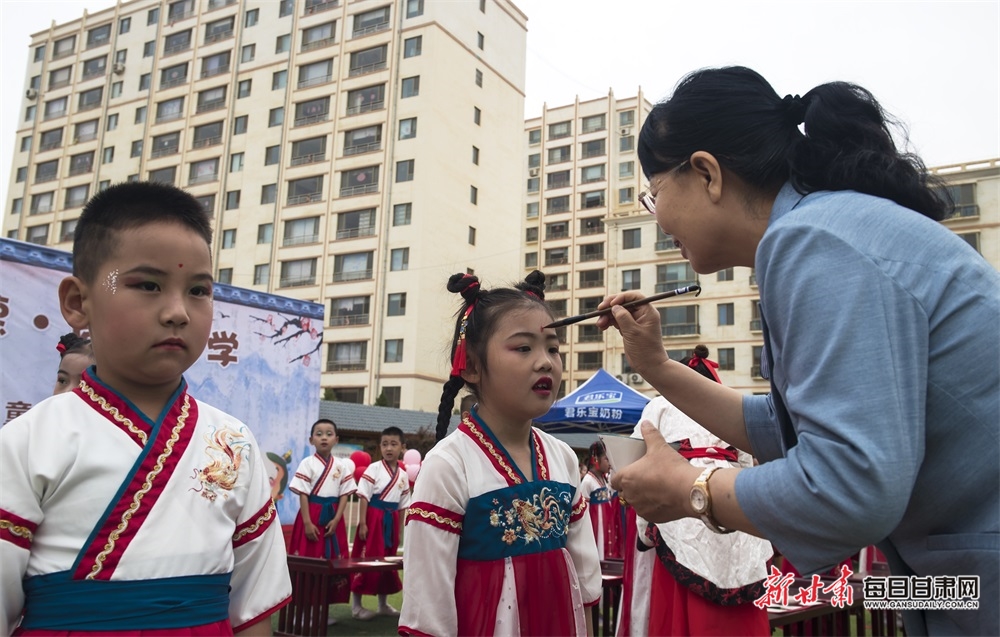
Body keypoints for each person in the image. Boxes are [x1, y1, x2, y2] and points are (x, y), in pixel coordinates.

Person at [598, 66, 1000, 636]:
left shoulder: (810, 240)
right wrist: (656, 365)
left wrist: (693, 490)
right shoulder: (826, 228)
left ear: (707, 173)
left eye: (654, 193)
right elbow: (780, 425)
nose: (658, 218)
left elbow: (849, 486)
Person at [0, 181, 291, 635]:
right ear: (78, 303)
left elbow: (256, 601)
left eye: (198, 290)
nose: (178, 311)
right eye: (148, 284)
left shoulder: (234, 441)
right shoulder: (28, 441)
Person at [399, 271, 602, 636]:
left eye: (552, 348)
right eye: (524, 348)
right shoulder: (449, 465)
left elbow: (585, 580)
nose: (545, 362)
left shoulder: (563, 457)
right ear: (473, 366)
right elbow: (427, 606)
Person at [619, 346, 772, 637]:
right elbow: (745, 462)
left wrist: (643, 529)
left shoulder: (659, 406)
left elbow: (637, 461)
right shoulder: (733, 405)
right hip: (732, 498)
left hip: (681, 503)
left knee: (678, 607)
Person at [287, 418, 358, 615]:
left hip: (333, 517)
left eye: (328, 434)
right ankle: (303, 612)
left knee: (331, 561)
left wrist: (336, 519)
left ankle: (321, 612)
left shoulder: (341, 466)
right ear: (311, 440)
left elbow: (345, 493)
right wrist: (308, 522)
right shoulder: (307, 463)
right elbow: (303, 493)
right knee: (309, 561)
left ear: (336, 439)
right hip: (311, 515)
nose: (324, 438)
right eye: (319, 434)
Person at [350, 425, 410, 618]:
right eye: (385, 444)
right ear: (380, 447)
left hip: (390, 520)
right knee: (365, 560)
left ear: (402, 447)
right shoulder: (373, 469)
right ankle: (356, 606)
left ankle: (382, 604)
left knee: (387, 560)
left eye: (393, 444)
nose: (389, 448)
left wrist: (399, 530)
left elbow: (403, 505)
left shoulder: (402, 475)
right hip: (373, 518)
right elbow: (364, 497)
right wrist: (363, 523)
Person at [580, 440, 623, 560]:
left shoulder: (605, 479)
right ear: (596, 459)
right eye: (606, 459)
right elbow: (584, 512)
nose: (609, 463)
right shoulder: (588, 481)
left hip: (607, 528)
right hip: (595, 530)